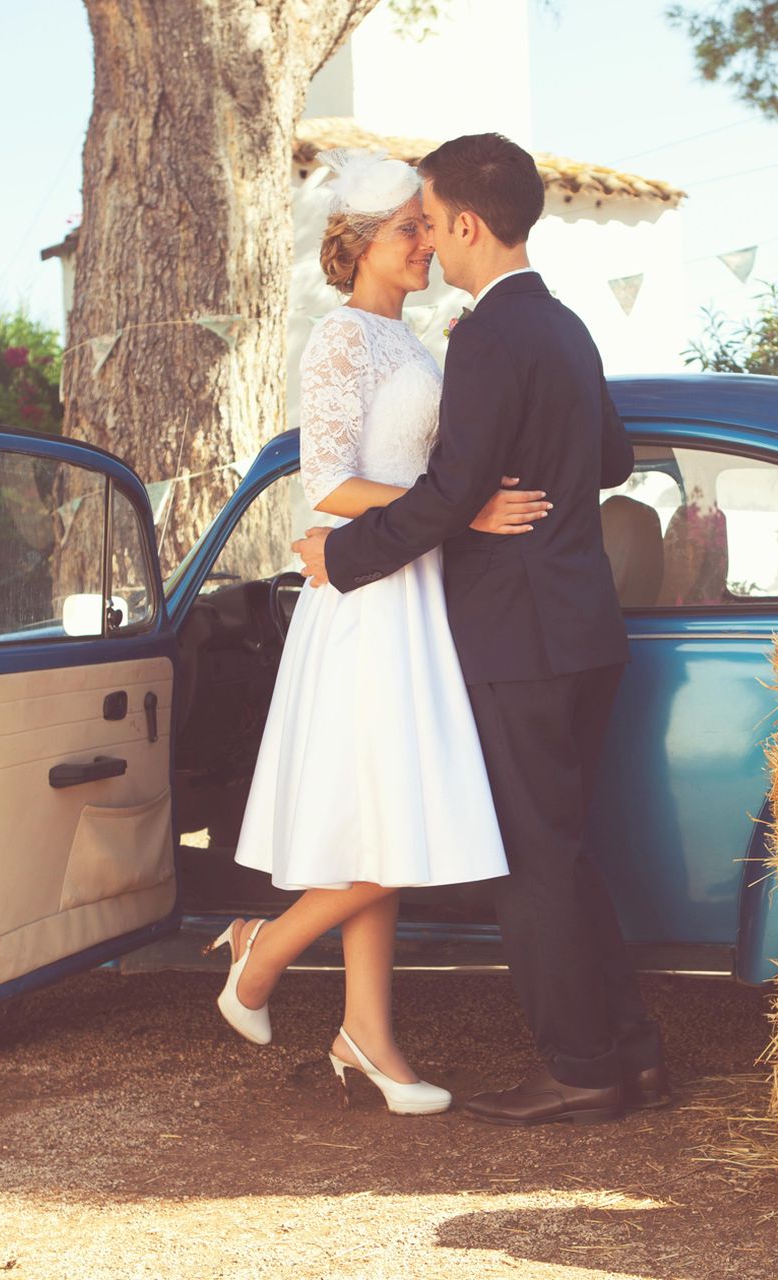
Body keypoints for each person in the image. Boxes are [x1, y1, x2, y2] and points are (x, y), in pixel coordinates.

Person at [294, 132, 668, 1127]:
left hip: (520, 640)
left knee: (532, 863)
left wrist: (346, 555)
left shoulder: (490, 337)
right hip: (585, 629)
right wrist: (528, 478)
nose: (429, 241)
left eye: (431, 219)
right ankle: (632, 1052)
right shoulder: (567, 327)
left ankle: (582, 1067)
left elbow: (456, 490)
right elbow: (613, 454)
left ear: (467, 223)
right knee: (572, 852)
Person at [214, 148, 548, 1117]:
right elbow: (325, 485)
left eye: (427, 223)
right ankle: (261, 949)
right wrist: (463, 510)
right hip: (366, 603)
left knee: (386, 814)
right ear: (359, 243)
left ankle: (366, 1030)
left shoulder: (419, 344)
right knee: (387, 817)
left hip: (419, 594)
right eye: (408, 226)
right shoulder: (341, 341)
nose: (426, 239)